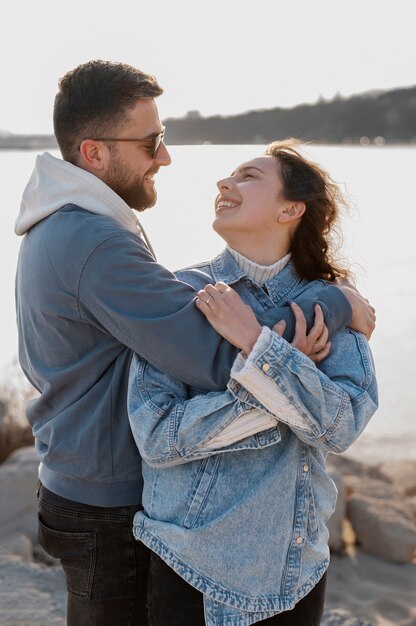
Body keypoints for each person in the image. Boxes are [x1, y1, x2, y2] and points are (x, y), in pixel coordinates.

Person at [14, 60, 372, 625]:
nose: (165, 156)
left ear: (292, 209)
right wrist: (337, 306)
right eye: (151, 141)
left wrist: (288, 332)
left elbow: (343, 420)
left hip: (92, 480)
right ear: (94, 153)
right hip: (107, 500)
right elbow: (214, 358)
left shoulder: (73, 224)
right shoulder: (94, 242)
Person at [128, 140, 378, 626]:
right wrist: (282, 367)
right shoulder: (180, 294)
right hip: (189, 564)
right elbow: (157, 438)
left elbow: (342, 426)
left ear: (291, 208)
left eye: (247, 176)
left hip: (295, 571)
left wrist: (253, 342)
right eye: (228, 176)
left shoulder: (330, 304)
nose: (224, 183)